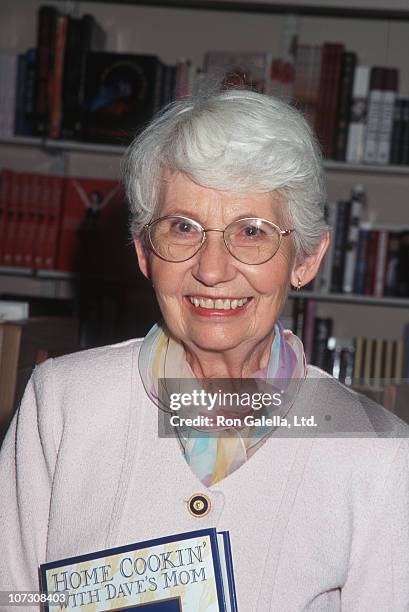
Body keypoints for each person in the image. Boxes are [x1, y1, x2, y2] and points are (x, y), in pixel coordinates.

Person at [0, 87, 408, 611]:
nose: (212, 270)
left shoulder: (380, 454)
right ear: (146, 252)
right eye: (183, 227)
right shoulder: (62, 404)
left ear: (305, 259)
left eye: (253, 232)